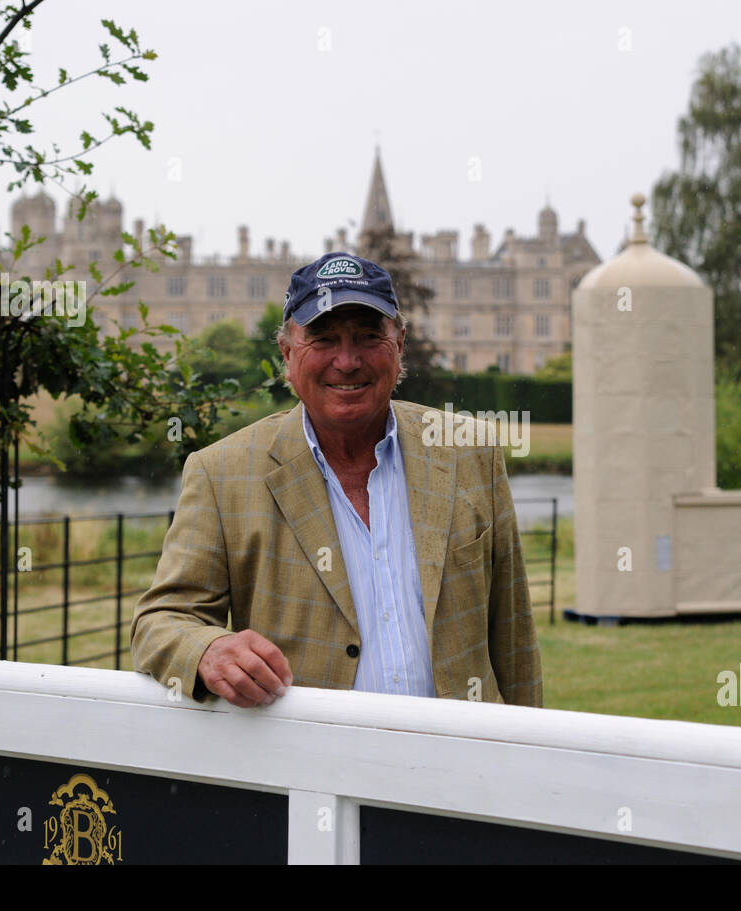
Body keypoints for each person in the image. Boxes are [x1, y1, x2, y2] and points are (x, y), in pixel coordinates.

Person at [130, 251, 542, 708]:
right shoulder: (221, 472)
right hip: (311, 768)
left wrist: (529, 760)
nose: (347, 361)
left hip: (460, 764)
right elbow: (161, 620)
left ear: (399, 345)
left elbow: (514, 635)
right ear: (287, 354)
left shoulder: (470, 450)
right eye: (323, 340)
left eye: (368, 336)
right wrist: (208, 649)